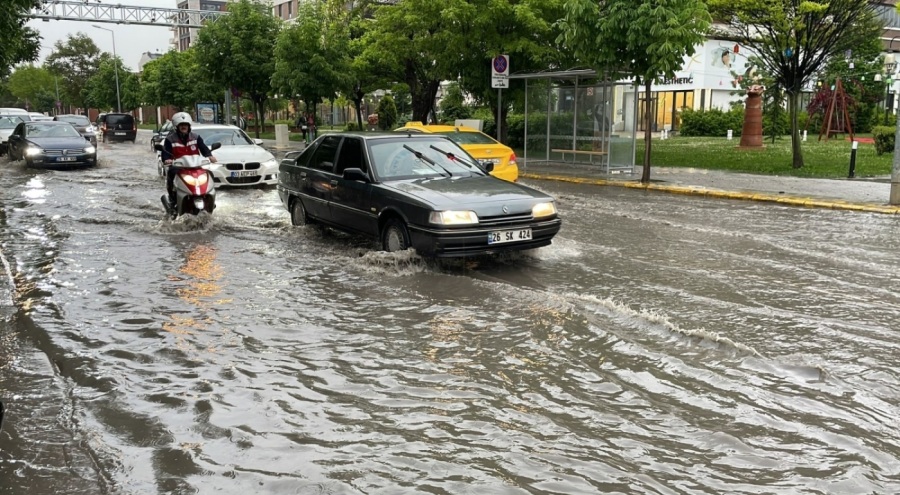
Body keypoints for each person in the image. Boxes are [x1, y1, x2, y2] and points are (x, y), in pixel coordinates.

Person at [160, 112, 217, 206]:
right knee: (171, 174)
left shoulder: (196, 137)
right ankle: (173, 198)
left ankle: (209, 197)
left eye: (185, 125)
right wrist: (167, 159)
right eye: (181, 125)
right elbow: (165, 153)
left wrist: (210, 156)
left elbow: (203, 148)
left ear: (189, 126)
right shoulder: (170, 139)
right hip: (178, 167)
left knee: (209, 173)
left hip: (195, 166)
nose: (184, 127)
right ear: (176, 126)